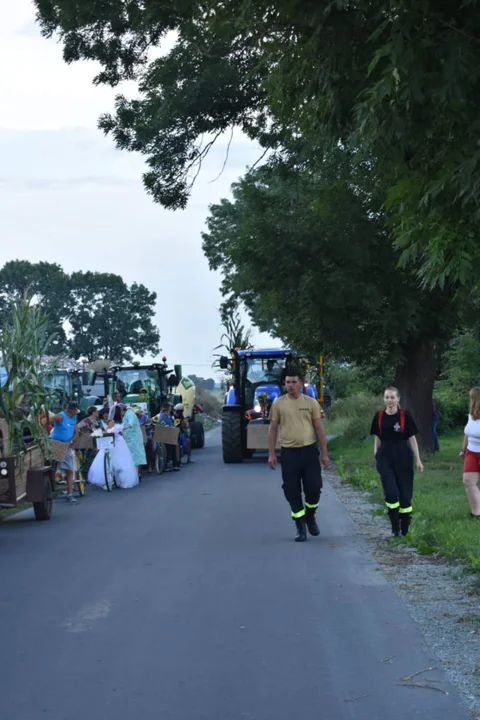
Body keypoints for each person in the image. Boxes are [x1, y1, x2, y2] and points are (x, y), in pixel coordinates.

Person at [268, 368, 330, 542]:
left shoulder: (311, 403)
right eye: (287, 382)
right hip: (289, 453)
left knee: (314, 487)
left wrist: (324, 454)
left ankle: (310, 516)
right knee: (291, 491)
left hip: (309, 451)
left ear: (301, 383)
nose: (290, 385)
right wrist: (272, 453)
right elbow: (272, 429)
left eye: (294, 382)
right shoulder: (278, 404)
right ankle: (300, 525)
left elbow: (319, 429)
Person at [370, 387, 423, 538]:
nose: (389, 400)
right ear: (384, 399)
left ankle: (405, 529)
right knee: (391, 493)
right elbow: (377, 436)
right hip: (385, 456)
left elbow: (412, 438)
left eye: (392, 397)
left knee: (405, 496)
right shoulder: (379, 416)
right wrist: (376, 452)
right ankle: (395, 528)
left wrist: (418, 459)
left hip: (403, 456)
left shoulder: (405, 415)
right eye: (387, 397)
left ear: (398, 398)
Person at [88, 405, 139, 489]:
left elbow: (107, 431)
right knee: (122, 462)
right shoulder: (120, 421)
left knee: (107, 462)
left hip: (112, 442)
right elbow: (119, 431)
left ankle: (107, 480)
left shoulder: (111, 421)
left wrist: (98, 432)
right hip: (120, 442)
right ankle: (122, 481)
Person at [49, 401, 80, 504]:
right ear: (72, 410)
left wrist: (70, 441)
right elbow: (46, 420)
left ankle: (69, 494)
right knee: (51, 468)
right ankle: (51, 489)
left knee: (70, 470)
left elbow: (76, 432)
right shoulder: (60, 416)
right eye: (76, 410)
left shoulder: (74, 418)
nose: (77, 412)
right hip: (56, 445)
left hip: (66, 446)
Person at [459, 387, 480, 519]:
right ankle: (476, 513)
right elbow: (467, 434)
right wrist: (463, 449)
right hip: (471, 452)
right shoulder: (471, 416)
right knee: (468, 481)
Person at [122, 405, 147, 475]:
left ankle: (136, 474)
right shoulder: (126, 414)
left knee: (135, 457)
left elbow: (131, 423)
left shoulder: (130, 414)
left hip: (134, 439)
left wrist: (123, 428)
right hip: (129, 438)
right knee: (133, 456)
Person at [76, 405, 100, 478]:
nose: (98, 412)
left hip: (96, 442)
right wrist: (83, 433)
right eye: (96, 411)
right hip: (88, 442)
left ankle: (92, 475)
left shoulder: (97, 421)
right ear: (93, 412)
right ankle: (85, 476)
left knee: (94, 459)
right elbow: (77, 427)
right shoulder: (86, 420)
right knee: (87, 459)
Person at [157, 401, 180, 472]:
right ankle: (172, 464)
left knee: (173, 444)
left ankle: (174, 463)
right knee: (171, 445)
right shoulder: (163, 415)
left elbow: (172, 423)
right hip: (164, 434)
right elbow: (163, 424)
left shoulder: (169, 416)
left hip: (169, 433)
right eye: (170, 407)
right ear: (168, 408)